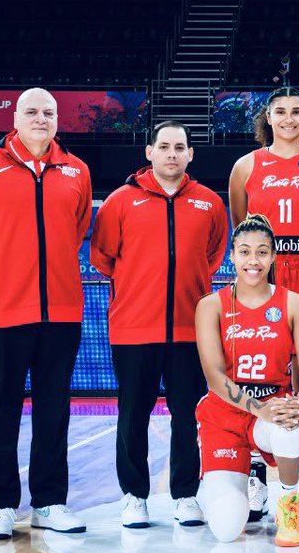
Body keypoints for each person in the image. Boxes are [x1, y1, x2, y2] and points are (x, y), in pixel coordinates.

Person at [0, 88, 92, 540]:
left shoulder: (76, 170)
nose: (40, 119)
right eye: (31, 111)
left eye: (48, 113)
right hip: (2, 310)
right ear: (15, 117)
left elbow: (77, 230)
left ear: (57, 120)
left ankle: (50, 502)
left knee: (55, 408)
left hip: (62, 311)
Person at [90, 120, 228, 529]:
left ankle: (186, 496)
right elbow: (103, 256)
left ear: (190, 154)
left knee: (189, 415)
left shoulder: (208, 203)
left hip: (191, 331)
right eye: (164, 146)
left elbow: (213, 254)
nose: (172, 154)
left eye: (179, 147)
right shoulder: (120, 201)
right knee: (133, 414)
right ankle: (135, 496)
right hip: (134, 330)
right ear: (149, 152)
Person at [228, 87, 299, 524]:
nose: (289, 118)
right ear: (268, 117)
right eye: (281, 111)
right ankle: (257, 473)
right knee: (260, 378)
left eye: (297, 111)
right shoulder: (246, 166)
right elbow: (244, 228)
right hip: (263, 281)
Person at [192, 214, 299, 546]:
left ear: (274, 256)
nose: (253, 260)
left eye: (262, 252)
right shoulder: (211, 306)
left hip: (273, 408)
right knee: (226, 529)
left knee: (291, 424)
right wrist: (258, 408)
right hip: (224, 417)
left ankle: (289, 508)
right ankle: (229, 480)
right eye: (245, 252)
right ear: (232, 256)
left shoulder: (294, 304)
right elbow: (214, 377)